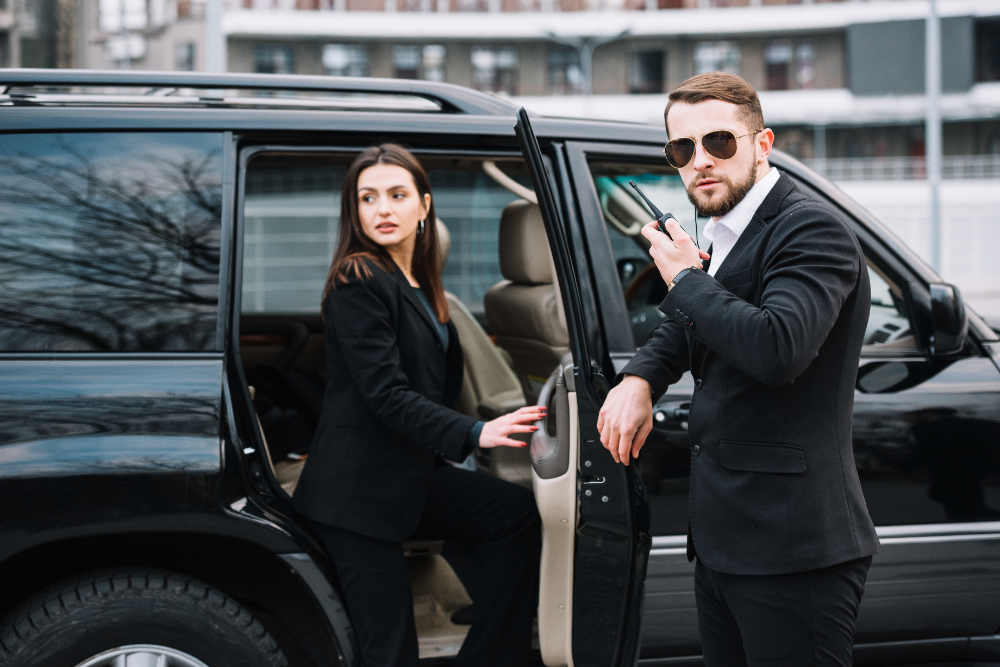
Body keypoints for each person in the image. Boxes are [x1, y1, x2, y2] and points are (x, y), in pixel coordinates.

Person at [597, 72, 879, 666]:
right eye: (682, 149)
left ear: (762, 143)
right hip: (727, 544)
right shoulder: (727, 228)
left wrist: (684, 278)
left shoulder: (810, 227)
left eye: (719, 142)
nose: (699, 161)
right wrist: (641, 377)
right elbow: (695, 325)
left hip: (795, 548)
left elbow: (777, 348)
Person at [292, 143, 543, 667]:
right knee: (390, 651)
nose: (382, 209)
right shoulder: (357, 281)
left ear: (424, 206)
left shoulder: (420, 284)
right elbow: (386, 394)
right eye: (368, 198)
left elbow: (433, 385)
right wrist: (475, 434)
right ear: (354, 211)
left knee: (516, 516)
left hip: (405, 475)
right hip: (356, 498)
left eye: (397, 195)